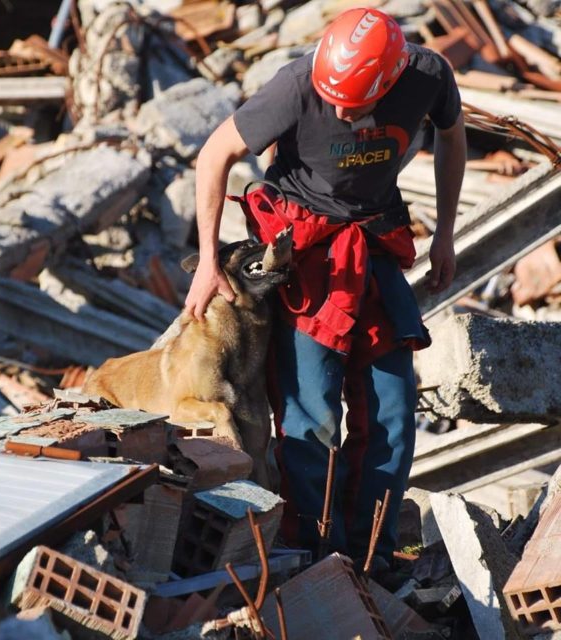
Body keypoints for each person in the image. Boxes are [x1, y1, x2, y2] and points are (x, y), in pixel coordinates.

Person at [185, 7, 466, 570]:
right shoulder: (296, 85)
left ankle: (372, 551)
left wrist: (445, 235)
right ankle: (312, 551)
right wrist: (206, 260)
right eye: (332, 99)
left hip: (373, 237)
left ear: (390, 81)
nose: (339, 111)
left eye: (352, 104)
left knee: (392, 406)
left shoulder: (428, 75)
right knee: (310, 412)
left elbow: (453, 138)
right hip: (305, 249)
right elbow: (213, 155)